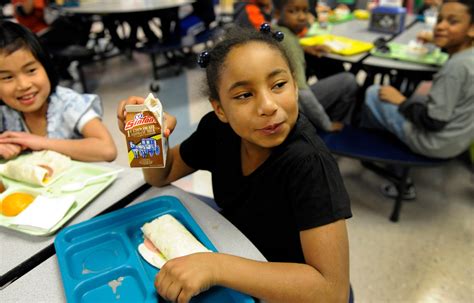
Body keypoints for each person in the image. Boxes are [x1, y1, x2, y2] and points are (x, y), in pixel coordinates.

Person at [117, 25, 352, 302]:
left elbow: (332, 291)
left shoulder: (310, 164)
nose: (268, 106)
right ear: (220, 109)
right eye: (244, 95)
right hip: (237, 254)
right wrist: (148, 137)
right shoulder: (218, 131)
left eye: (278, 85)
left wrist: (216, 266)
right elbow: (161, 176)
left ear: (296, 86)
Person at [361, 0, 474, 160]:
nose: (440, 26)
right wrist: (436, 40)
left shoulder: (455, 68)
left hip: (436, 143)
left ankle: (368, 143)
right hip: (460, 139)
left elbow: (433, 122)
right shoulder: (468, 56)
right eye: (439, 19)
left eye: (452, 21)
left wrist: (401, 101)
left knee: (374, 93)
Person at [0, 21, 117, 161]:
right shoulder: (5, 110)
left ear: (46, 66)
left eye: (31, 70)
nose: (23, 85)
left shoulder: (68, 103)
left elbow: (107, 150)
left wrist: (39, 142)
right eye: (7, 77)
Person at [273, 0, 359, 132]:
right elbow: (302, 92)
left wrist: (302, 47)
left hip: (278, 103)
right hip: (294, 109)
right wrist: (327, 124)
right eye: (293, 11)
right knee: (348, 81)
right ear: (278, 13)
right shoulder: (288, 41)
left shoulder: (279, 32)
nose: (302, 17)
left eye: (304, 11)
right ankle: (333, 129)